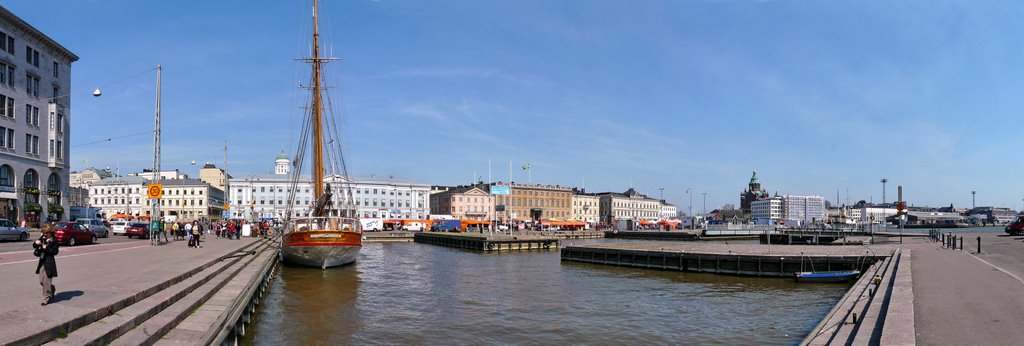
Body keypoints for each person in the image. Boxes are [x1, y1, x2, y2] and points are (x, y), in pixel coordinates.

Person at [33, 224, 59, 305]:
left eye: (46, 232)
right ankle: (52, 288)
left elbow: (55, 251)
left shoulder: (54, 240)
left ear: (50, 232)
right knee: (41, 281)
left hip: (49, 263)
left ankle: (46, 298)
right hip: (42, 262)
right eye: (44, 232)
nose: (45, 234)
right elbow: (35, 246)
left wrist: (46, 248)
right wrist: (36, 243)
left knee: (46, 282)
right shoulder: (43, 237)